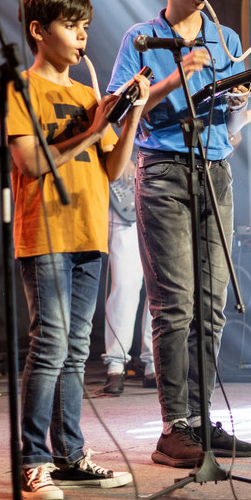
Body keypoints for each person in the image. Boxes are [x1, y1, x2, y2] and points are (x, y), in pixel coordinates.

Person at [106, 0, 251, 467]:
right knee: (174, 307)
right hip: (164, 172)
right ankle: (174, 427)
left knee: (211, 308)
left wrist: (237, 100)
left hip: (215, 172)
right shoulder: (142, 38)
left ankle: (200, 418)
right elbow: (120, 109)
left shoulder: (226, 38)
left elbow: (232, 117)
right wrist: (174, 79)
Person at [7, 0, 146, 500]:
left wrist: (130, 115)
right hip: (45, 234)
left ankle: (69, 456)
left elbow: (112, 169)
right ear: (39, 31)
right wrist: (92, 128)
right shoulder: (21, 88)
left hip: (90, 233)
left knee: (74, 351)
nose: (81, 36)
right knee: (49, 346)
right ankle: (32, 462)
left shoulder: (89, 95)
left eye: (85, 26)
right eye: (70, 26)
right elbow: (31, 163)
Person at [97, 159, 155, 396]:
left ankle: (154, 364)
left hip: (162, 198)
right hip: (125, 200)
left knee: (161, 288)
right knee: (124, 286)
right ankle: (116, 365)